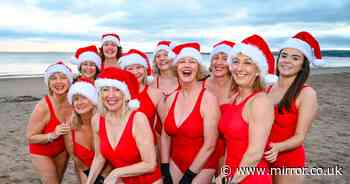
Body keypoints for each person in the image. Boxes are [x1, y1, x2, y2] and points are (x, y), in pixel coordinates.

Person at [216, 35, 276, 184]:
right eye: (236, 62)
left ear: (258, 71)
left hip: (251, 177)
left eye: (248, 63)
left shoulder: (260, 101)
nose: (239, 68)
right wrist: (224, 174)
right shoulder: (235, 98)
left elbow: (255, 152)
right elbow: (229, 145)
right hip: (231, 174)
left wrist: (233, 181)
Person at [86, 67, 161, 184]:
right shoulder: (97, 120)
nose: (110, 95)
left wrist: (116, 173)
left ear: (126, 94)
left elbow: (150, 164)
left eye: (117, 89)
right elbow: (99, 157)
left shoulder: (138, 119)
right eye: (105, 89)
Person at [160, 42, 220, 184]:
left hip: (202, 164)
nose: (187, 65)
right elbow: (165, 136)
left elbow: (210, 144)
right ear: (176, 68)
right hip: (176, 161)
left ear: (198, 69)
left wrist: (188, 176)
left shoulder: (208, 99)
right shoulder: (171, 98)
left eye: (192, 61)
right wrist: (164, 169)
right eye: (182, 61)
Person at [264, 31, 319, 184]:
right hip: (262, 157)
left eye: (295, 58)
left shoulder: (306, 93)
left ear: (303, 65)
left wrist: (277, 147)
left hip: (287, 159)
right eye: (284, 55)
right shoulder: (267, 89)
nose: (287, 61)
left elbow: (300, 137)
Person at [26, 61, 74, 184]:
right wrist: (53, 134)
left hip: (62, 150)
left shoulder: (75, 102)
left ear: (70, 81)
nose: (58, 82)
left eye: (63, 77)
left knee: (58, 181)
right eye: (53, 78)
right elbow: (30, 137)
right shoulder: (43, 107)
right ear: (48, 83)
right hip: (41, 151)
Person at [64, 78, 108, 183]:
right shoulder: (70, 126)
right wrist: (89, 177)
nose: (79, 102)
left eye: (84, 98)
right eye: (76, 99)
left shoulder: (105, 121)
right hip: (85, 170)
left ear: (93, 101)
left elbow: (113, 157)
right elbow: (75, 158)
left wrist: (102, 178)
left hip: (109, 171)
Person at [119, 49, 163, 136]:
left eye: (139, 67)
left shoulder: (156, 94)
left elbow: (162, 128)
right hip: (124, 145)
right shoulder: (117, 94)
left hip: (149, 144)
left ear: (145, 70)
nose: (135, 72)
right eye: (130, 68)